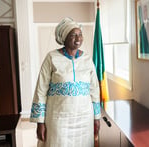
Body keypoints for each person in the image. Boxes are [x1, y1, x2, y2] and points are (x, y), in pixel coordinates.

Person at [30, 17, 101, 147]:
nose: (78, 39)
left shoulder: (87, 59)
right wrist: (40, 122)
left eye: (80, 34)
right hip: (58, 119)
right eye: (73, 35)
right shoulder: (51, 58)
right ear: (64, 38)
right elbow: (41, 91)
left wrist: (96, 117)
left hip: (84, 119)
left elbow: (94, 90)